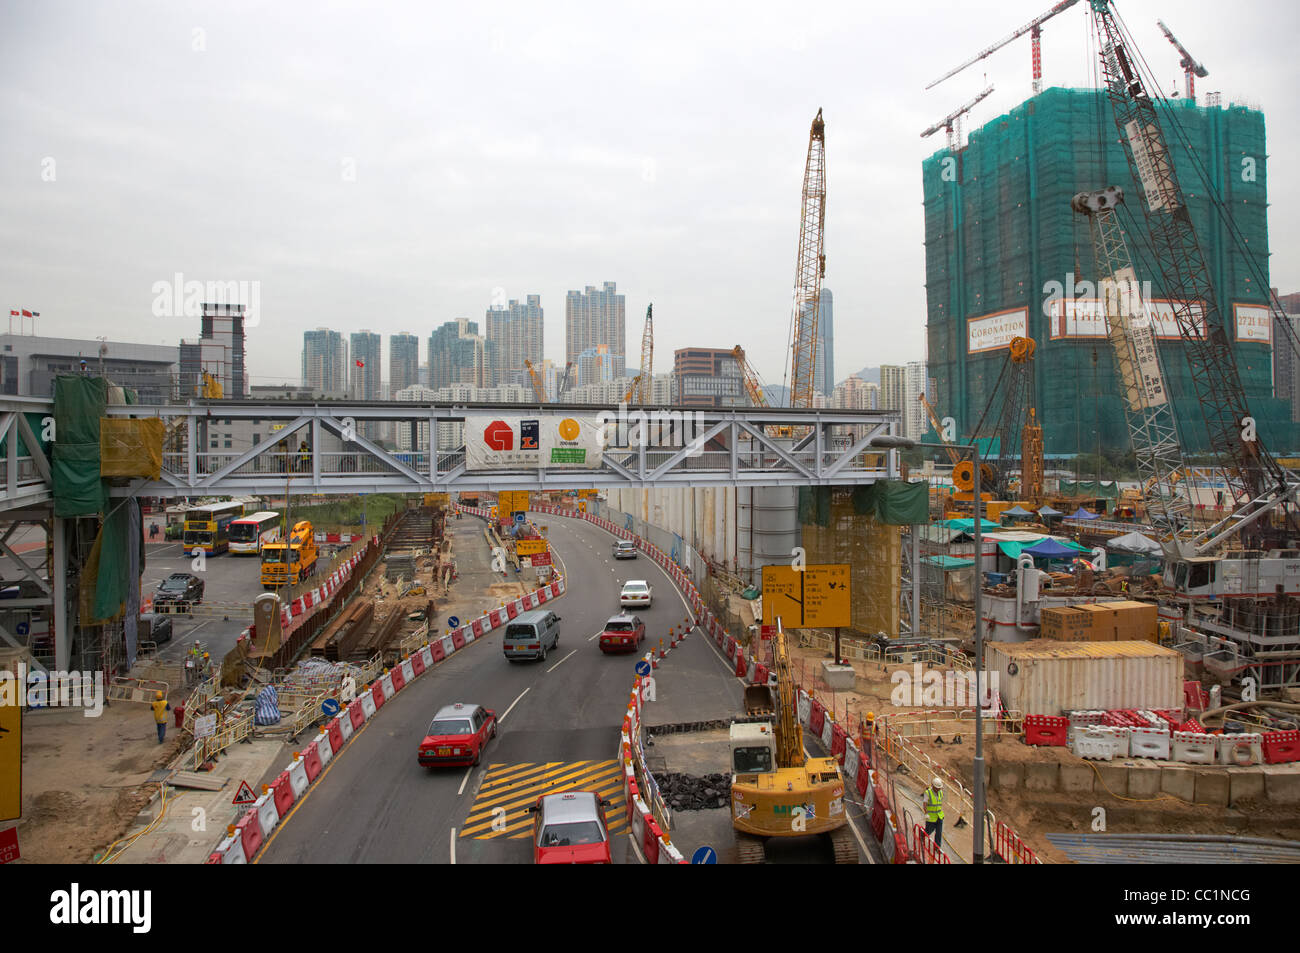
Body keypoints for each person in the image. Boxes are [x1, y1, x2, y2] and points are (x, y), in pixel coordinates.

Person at [924, 777, 945, 847]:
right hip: (931, 817)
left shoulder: (940, 792)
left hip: (939, 815)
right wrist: (926, 813)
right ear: (932, 786)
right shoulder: (928, 793)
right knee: (928, 831)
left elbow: (940, 802)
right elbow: (925, 803)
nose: (938, 789)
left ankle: (937, 847)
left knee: (939, 832)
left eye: (939, 788)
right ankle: (922, 835)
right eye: (937, 788)